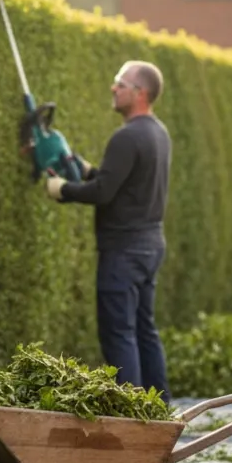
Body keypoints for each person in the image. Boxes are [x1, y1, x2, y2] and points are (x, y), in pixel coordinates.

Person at [43, 61, 173, 402]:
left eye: (121, 83)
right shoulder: (158, 133)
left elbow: (104, 193)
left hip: (124, 250)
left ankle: (129, 415)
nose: (113, 89)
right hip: (150, 246)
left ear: (140, 93)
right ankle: (159, 409)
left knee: (119, 335)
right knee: (144, 330)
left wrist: (62, 189)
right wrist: (86, 170)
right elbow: (119, 181)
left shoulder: (126, 136)